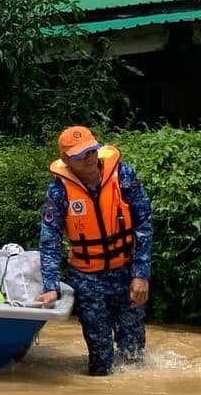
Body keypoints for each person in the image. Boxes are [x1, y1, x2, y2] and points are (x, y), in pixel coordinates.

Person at [38, 125, 152, 376]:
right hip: (87, 280)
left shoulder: (123, 176)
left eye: (92, 150)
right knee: (101, 362)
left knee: (133, 354)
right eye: (82, 154)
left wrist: (140, 274)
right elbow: (49, 240)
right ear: (67, 159)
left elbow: (143, 224)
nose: (90, 158)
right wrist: (50, 286)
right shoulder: (58, 191)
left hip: (126, 273)